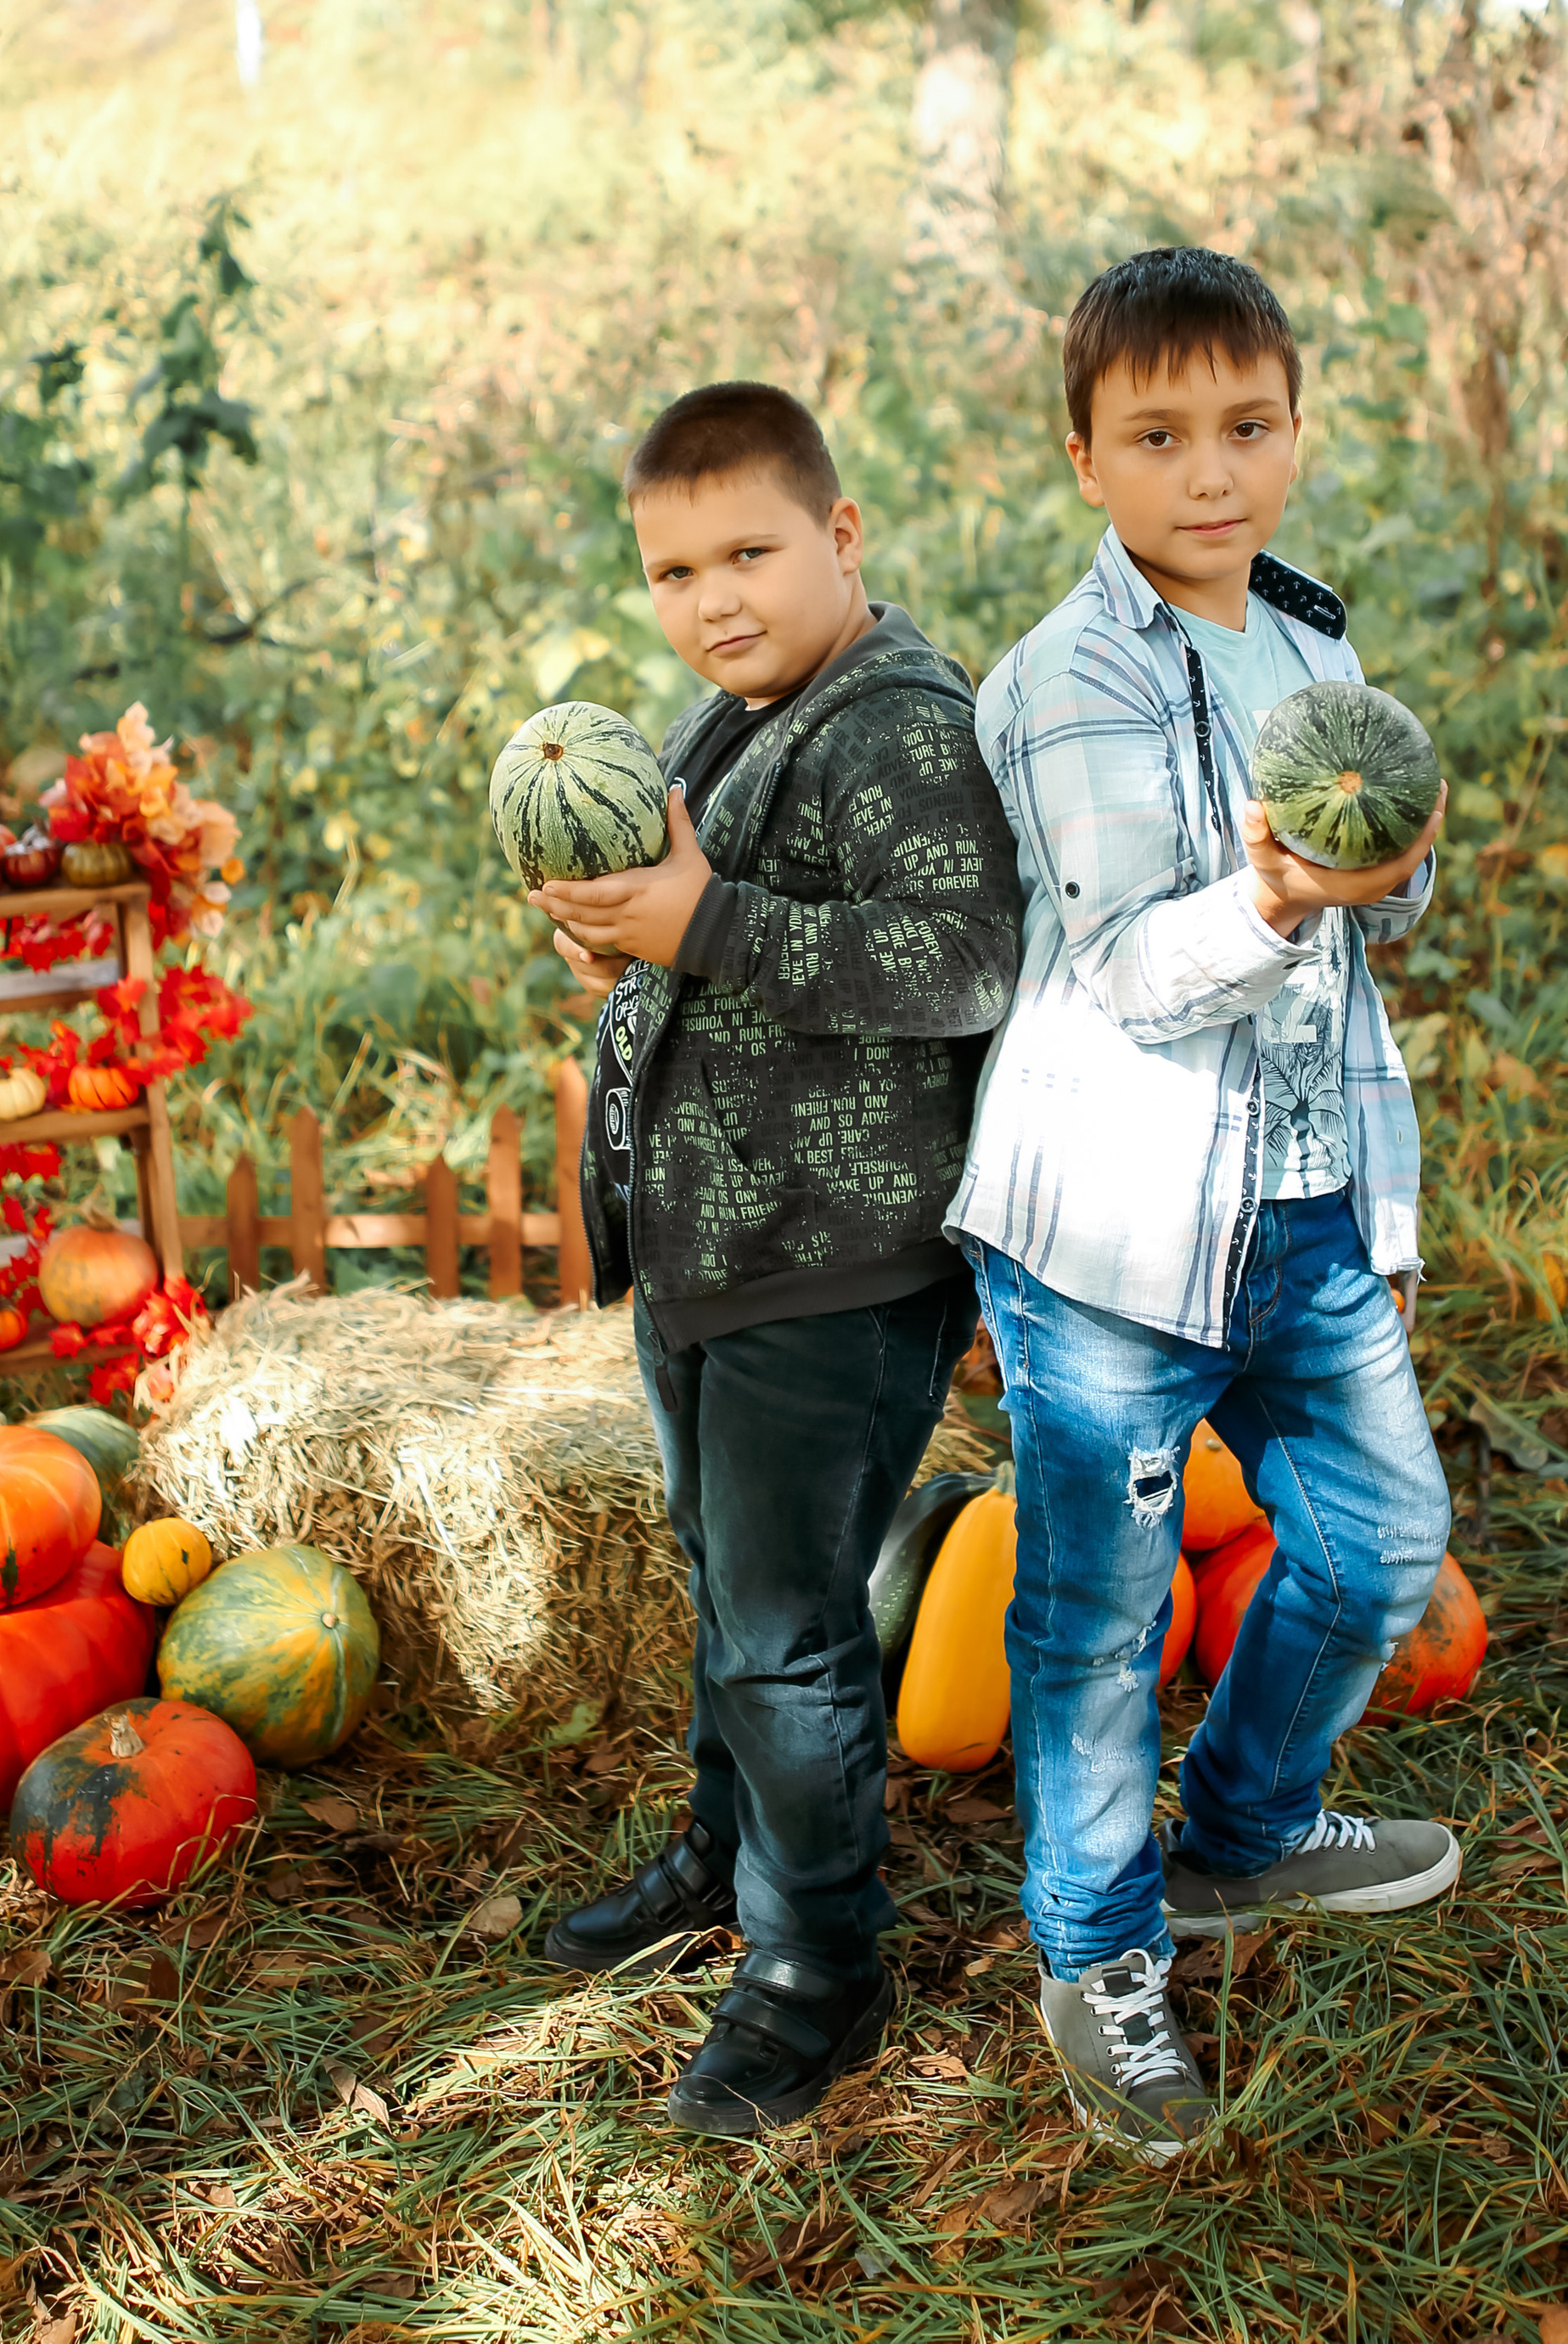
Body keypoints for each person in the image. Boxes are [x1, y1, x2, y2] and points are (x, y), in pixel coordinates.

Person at [947, 245, 1456, 2164]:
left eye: (1245, 427)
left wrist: (1379, 864)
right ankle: (1098, 1953)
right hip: (1111, 1233)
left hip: (1301, 1199)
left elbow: (1381, 901)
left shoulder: (1313, 649)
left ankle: (1243, 1832)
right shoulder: (1068, 679)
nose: (1209, 471)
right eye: (1157, 438)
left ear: (1295, 433)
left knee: (1378, 1543)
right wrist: (1281, 893)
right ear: (1084, 459)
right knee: (1095, 1619)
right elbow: (1133, 969)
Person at [528, 379, 1021, 2141]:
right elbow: (698, 931)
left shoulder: (899, 727)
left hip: (840, 1260)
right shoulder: (726, 717)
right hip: (712, 1249)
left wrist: (706, 924)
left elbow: (962, 961)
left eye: (749, 552)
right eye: (674, 571)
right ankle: (727, 1851)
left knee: (787, 1632)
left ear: (840, 534)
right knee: (731, 1588)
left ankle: (820, 1961)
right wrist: (626, 944)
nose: (713, 598)